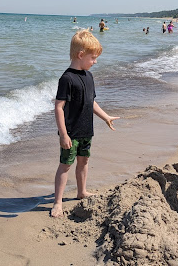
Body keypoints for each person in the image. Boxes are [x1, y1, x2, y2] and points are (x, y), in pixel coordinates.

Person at [51, 30, 119, 218]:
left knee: (84, 161)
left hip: (86, 130)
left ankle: (81, 191)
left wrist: (105, 117)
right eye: (93, 58)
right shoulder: (67, 78)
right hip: (71, 132)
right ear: (81, 55)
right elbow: (58, 107)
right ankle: (58, 202)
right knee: (65, 165)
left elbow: (91, 102)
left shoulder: (89, 76)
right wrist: (63, 134)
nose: (95, 62)